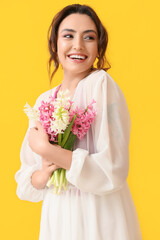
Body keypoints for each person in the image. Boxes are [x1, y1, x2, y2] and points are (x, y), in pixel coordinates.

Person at [15, 4, 142, 240]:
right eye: (68, 36)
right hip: (59, 217)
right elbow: (27, 179)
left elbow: (113, 169)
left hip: (99, 215)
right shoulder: (44, 100)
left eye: (89, 38)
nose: (78, 46)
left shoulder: (101, 86)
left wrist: (47, 149)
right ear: (55, 44)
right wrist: (44, 171)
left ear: (99, 46)